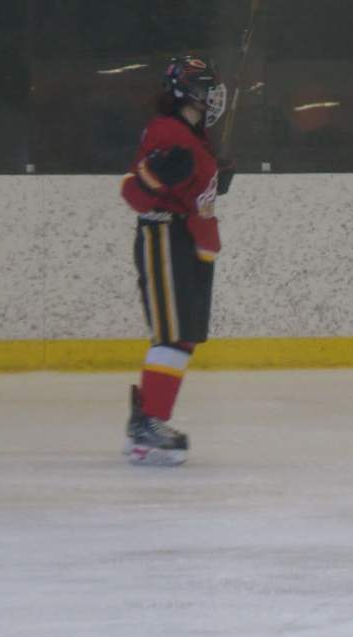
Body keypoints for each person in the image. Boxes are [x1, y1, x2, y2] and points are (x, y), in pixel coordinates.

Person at [119, 55, 231, 466]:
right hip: (165, 237)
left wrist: (216, 180)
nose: (214, 95)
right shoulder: (166, 129)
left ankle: (149, 418)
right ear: (185, 89)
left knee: (182, 335)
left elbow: (193, 190)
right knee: (170, 333)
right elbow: (134, 191)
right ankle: (149, 423)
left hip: (191, 240)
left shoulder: (197, 136)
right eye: (206, 86)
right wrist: (156, 177)